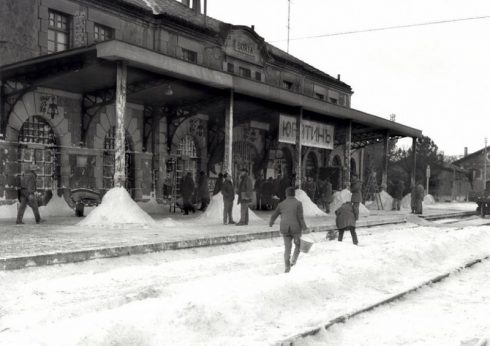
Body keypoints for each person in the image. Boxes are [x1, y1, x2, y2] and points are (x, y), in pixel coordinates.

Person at [269, 187, 308, 273]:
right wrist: (304, 227)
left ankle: (287, 266)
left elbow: (274, 215)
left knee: (287, 248)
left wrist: (271, 222)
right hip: (296, 229)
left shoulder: (281, 204)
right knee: (298, 245)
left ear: (286, 194)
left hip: (285, 229)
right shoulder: (298, 203)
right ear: (294, 194)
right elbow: (300, 217)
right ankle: (293, 261)